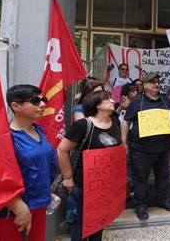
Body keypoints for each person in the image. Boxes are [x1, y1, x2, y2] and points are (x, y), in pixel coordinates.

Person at [58, 91, 122, 240]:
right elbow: (62, 149)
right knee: (84, 222)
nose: (113, 100)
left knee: (99, 221)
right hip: (84, 184)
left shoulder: (114, 122)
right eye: (107, 99)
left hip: (105, 184)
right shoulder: (83, 124)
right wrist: (68, 178)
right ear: (97, 104)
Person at [0, 85, 58, 241]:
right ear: (16, 106)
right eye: (36, 101)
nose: (43, 104)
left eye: (43, 100)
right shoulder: (6, 139)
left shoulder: (39, 130)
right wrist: (18, 207)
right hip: (15, 210)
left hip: (40, 203)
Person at [121, 73, 170, 220]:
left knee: (163, 176)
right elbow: (127, 122)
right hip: (141, 149)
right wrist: (123, 141)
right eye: (152, 82)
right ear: (145, 86)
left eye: (158, 81)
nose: (156, 84)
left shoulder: (165, 101)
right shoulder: (137, 102)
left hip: (162, 148)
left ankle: (163, 199)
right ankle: (140, 205)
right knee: (141, 178)